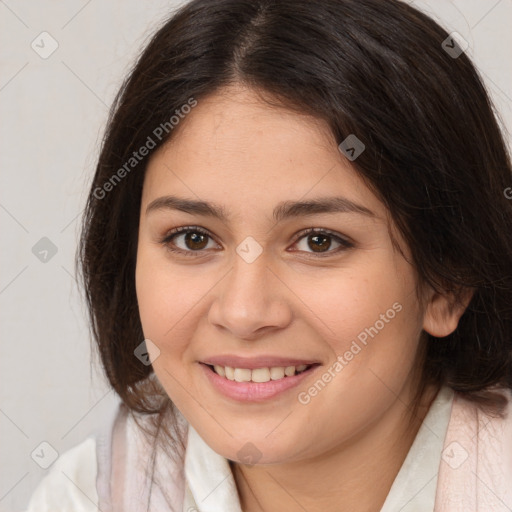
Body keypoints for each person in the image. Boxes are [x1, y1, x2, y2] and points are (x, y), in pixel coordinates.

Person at [27, 0, 512, 510]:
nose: (243, 313)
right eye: (193, 238)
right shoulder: (84, 496)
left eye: (318, 241)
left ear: (448, 282)